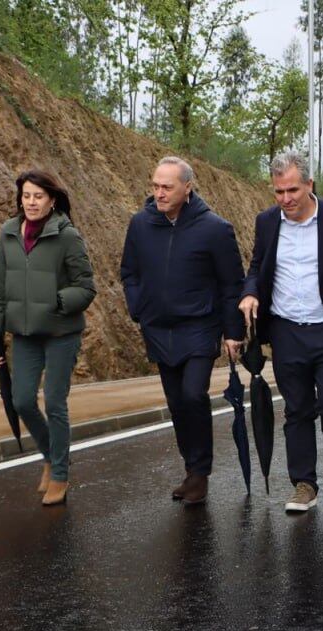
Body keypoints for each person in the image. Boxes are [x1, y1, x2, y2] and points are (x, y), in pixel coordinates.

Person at [240, 151, 323, 513]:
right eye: (278, 192)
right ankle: (303, 483)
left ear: (309, 185)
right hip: (286, 330)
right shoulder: (267, 222)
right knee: (296, 409)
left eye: (292, 190)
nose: (285, 199)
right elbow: (256, 266)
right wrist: (250, 292)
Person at [121, 156, 245, 506]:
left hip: (200, 326)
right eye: (155, 186)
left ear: (187, 188)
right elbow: (129, 272)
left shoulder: (215, 229)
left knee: (193, 394)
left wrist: (232, 332)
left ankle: (200, 472)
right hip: (158, 327)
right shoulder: (140, 225)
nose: (159, 193)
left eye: (167, 187)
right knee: (177, 403)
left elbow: (231, 284)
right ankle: (191, 467)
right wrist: (139, 309)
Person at [0, 170, 96, 506]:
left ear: (51, 200)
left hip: (61, 332)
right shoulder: (7, 234)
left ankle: (60, 473)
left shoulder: (67, 236)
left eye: (38, 196)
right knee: (21, 401)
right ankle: (51, 455)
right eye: (26, 196)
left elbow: (86, 287)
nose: (31, 202)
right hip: (25, 334)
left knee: (54, 401)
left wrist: (57, 302)